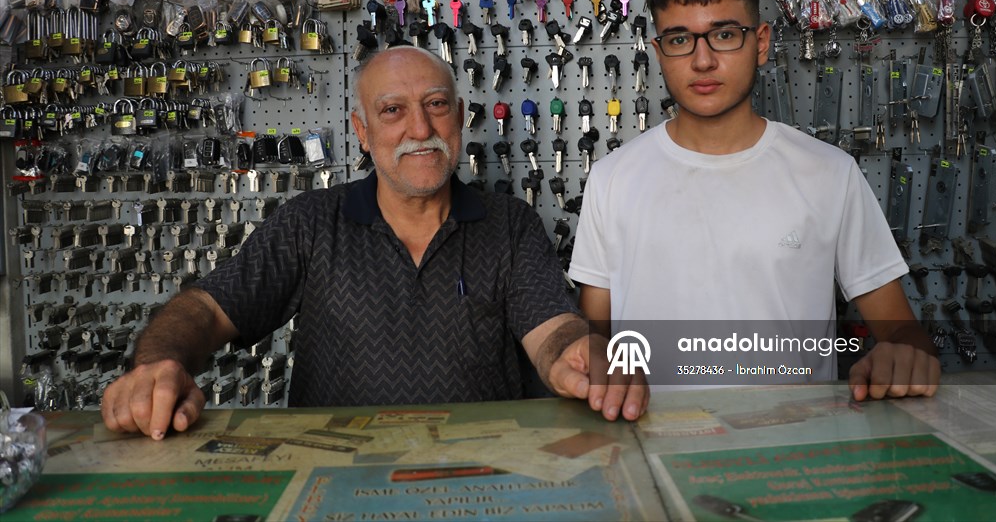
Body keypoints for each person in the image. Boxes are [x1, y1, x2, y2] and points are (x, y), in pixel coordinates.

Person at [102, 46, 648, 440]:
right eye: (392, 110)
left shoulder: (509, 224)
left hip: (483, 481)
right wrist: (160, 362)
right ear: (361, 131)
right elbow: (206, 308)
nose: (418, 128)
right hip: (333, 482)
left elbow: (551, 331)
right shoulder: (311, 223)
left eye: (436, 105)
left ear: (459, 119)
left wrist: (575, 356)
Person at [569, 0, 940, 401]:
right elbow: (594, 344)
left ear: (761, 42)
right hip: (648, 448)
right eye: (680, 39)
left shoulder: (829, 174)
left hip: (792, 453)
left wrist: (902, 356)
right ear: (658, 52)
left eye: (725, 35)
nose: (702, 60)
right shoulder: (611, 180)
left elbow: (902, 330)